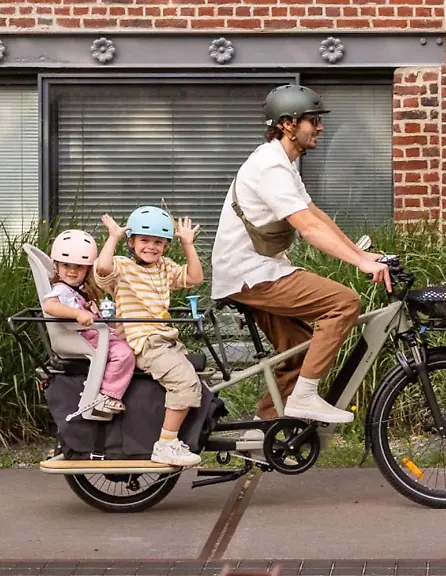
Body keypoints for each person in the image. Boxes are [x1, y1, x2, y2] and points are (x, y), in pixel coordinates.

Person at [210, 84, 392, 426]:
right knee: (343, 303)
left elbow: (314, 213)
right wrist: (360, 264)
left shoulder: (283, 164)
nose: (320, 127)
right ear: (287, 124)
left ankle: (264, 431)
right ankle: (304, 398)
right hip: (250, 274)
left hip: (256, 270)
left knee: (302, 348)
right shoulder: (270, 169)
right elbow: (308, 228)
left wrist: (363, 253)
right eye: (312, 120)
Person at [95, 206, 206, 467]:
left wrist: (188, 244)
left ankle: (179, 434)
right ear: (131, 242)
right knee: (185, 382)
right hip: (145, 342)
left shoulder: (164, 268)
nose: (151, 247)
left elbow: (195, 277)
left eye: (158, 242)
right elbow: (102, 268)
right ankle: (166, 444)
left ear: (166, 245)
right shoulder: (121, 268)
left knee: (198, 374)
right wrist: (113, 237)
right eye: (144, 240)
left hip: (166, 340)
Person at [41, 229, 135, 420]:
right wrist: (77, 313)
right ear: (56, 265)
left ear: (87, 269)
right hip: (82, 337)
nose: (72, 271)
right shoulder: (61, 289)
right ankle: (106, 395)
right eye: (66, 265)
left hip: (92, 333)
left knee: (130, 339)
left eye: (79, 267)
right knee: (124, 353)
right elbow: (50, 306)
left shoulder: (78, 289)